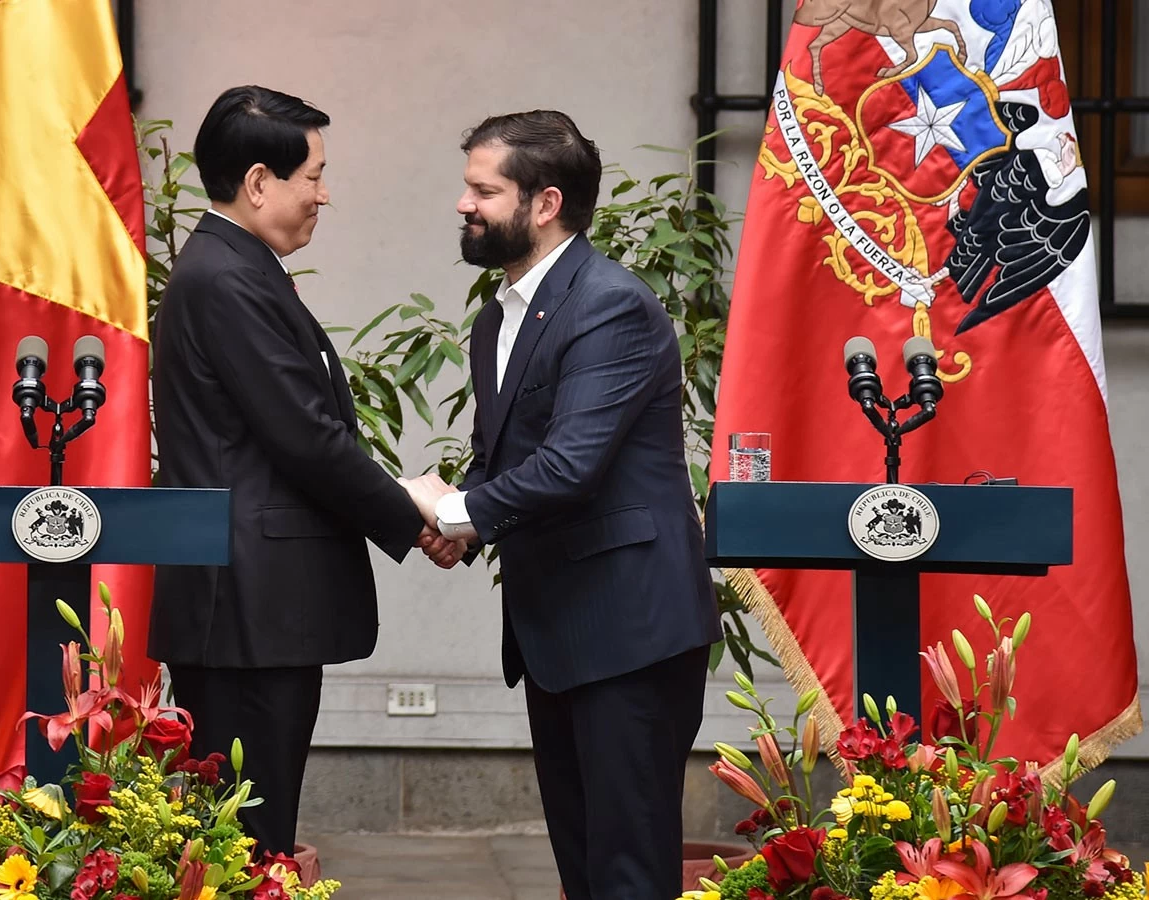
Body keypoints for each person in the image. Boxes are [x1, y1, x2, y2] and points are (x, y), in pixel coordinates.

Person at [406, 110, 723, 900]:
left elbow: (570, 465)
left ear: (544, 204)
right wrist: (465, 529)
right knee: (583, 869)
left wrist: (453, 513)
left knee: (625, 873)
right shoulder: (497, 316)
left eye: (483, 189)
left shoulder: (609, 303)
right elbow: (503, 458)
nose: (463, 204)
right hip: (561, 632)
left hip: (629, 634)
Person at [148, 85, 462, 857]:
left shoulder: (236, 268)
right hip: (246, 607)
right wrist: (406, 500)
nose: (326, 193)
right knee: (248, 837)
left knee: (254, 824)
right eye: (313, 175)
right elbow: (305, 438)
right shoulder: (226, 278)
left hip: (254, 603)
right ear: (258, 183)